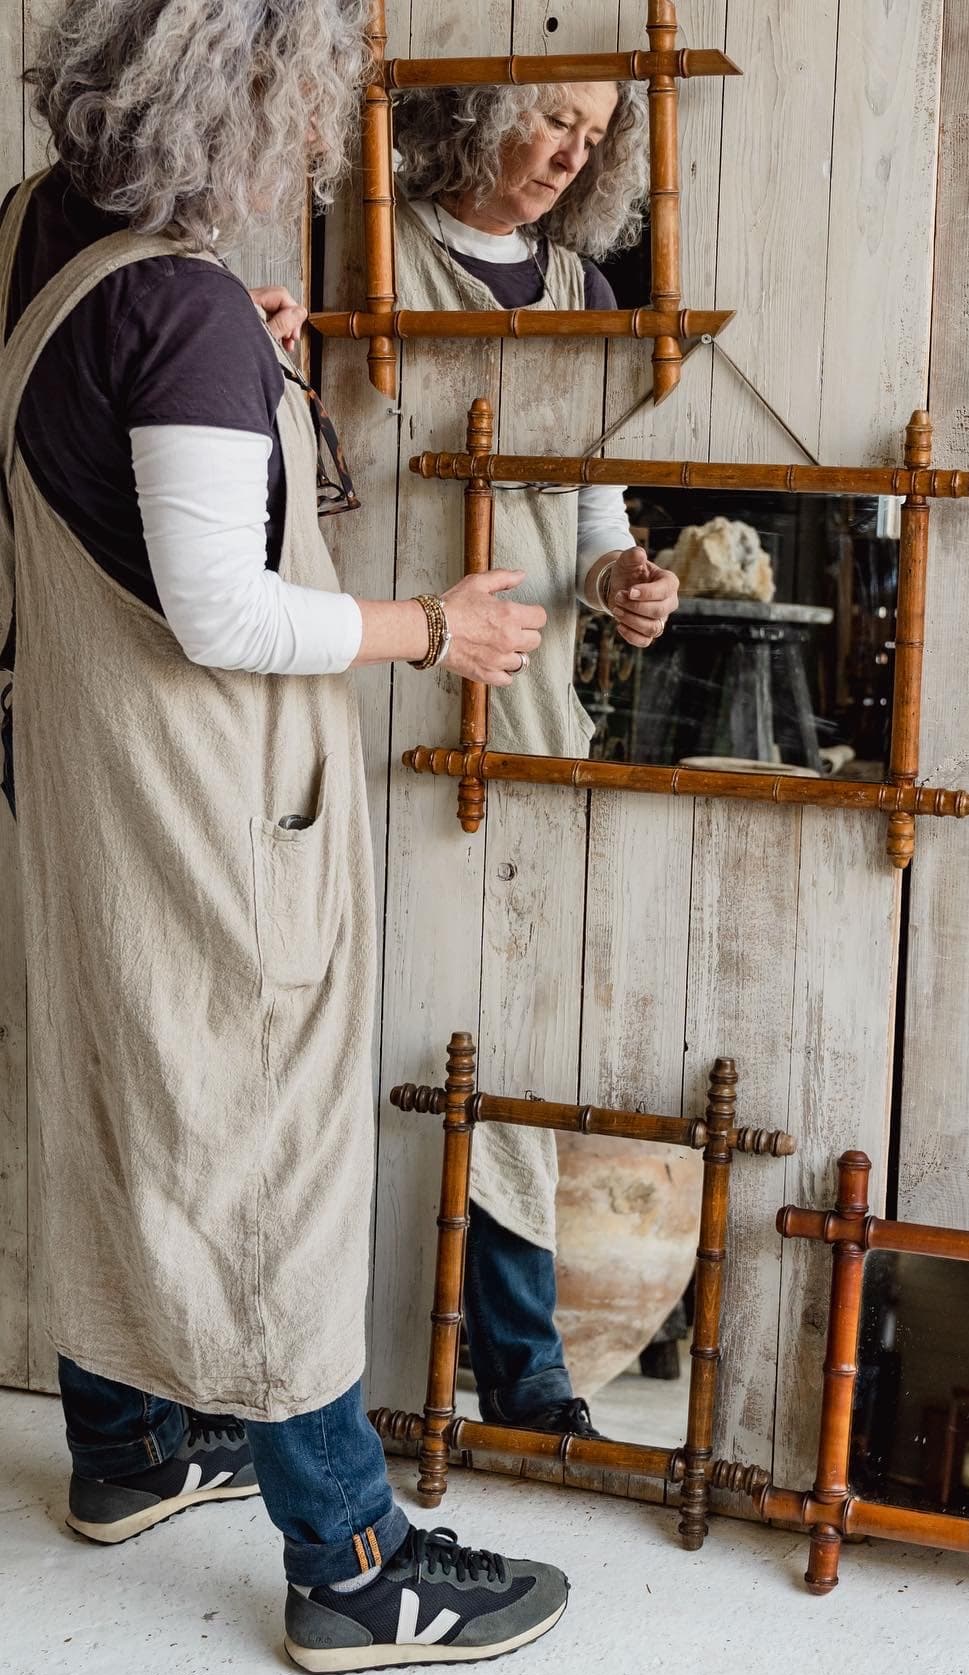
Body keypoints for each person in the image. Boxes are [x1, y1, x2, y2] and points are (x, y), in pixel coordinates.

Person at [1, 0, 568, 1675]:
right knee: (264, 1156)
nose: (320, 135)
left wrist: (248, 367)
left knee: (131, 1090)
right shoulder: (171, 311)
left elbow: (104, 446)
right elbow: (227, 611)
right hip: (213, 805)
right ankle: (354, 1563)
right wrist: (431, 629)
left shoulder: (43, 235)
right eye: (310, 98)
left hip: (97, 787)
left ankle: (126, 1450)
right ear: (235, 101)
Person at [392, 82, 681, 1437]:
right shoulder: (372, 248)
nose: (578, 150)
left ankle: (517, 1363)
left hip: (528, 715)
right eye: (555, 116)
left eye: (598, 129)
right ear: (479, 109)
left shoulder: (578, 288)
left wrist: (624, 580)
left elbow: (583, 514)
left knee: (498, 1032)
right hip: (380, 687)